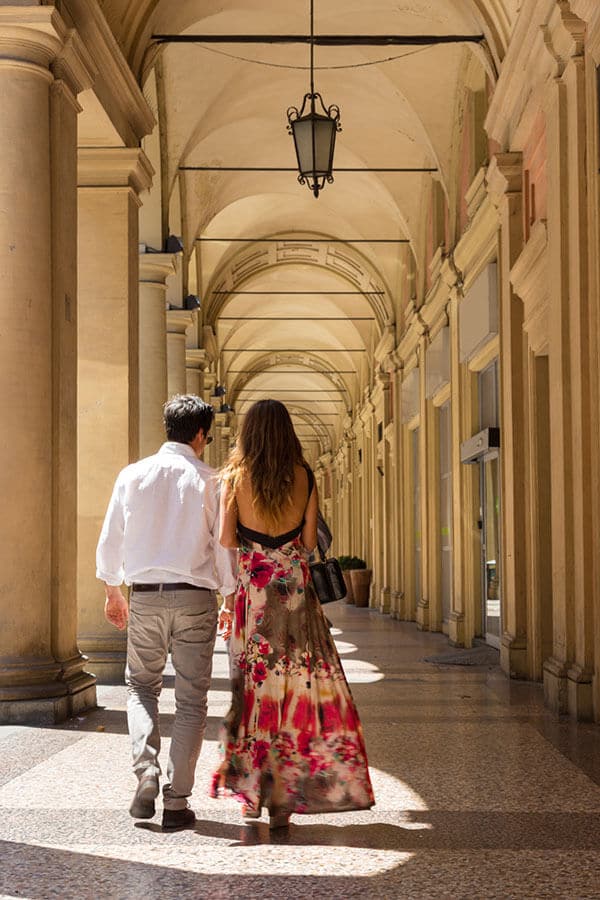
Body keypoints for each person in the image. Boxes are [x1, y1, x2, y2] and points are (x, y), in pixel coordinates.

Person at [211, 399, 374, 829]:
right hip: (297, 603)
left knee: (253, 696)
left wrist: (255, 542)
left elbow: (227, 539)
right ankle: (284, 799)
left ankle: (250, 797)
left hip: (256, 603)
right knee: (294, 695)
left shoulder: (235, 478)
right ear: (288, 433)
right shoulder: (304, 476)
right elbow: (306, 541)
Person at [96, 394, 236, 831]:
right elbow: (223, 548)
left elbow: (111, 536)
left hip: (146, 596)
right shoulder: (214, 480)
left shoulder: (132, 474)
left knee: (140, 687)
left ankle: (146, 772)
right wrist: (230, 596)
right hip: (196, 598)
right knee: (193, 699)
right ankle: (177, 802)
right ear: (200, 434)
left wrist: (112, 589)